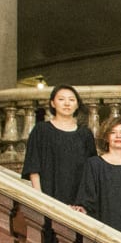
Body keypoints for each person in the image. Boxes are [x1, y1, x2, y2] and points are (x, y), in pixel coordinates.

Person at [22, 85, 100, 215]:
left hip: (78, 204)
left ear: (77, 104)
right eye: (61, 99)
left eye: (71, 99)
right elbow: (33, 167)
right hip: (49, 200)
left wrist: (83, 204)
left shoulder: (85, 134)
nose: (67, 103)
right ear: (53, 103)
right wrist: (39, 197)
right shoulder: (41, 130)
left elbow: (90, 172)